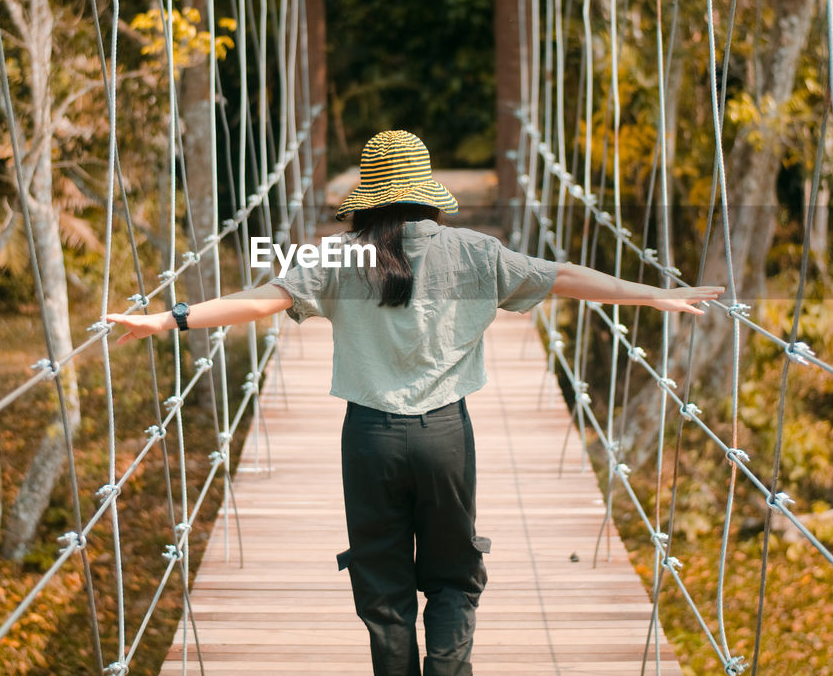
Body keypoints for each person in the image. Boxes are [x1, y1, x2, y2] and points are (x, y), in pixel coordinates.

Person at [106, 130, 723, 676]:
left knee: (383, 585)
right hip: (446, 436)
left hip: (369, 438)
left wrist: (169, 318)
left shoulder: (336, 258)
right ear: (430, 196)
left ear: (366, 200)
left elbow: (261, 299)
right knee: (454, 577)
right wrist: (653, 295)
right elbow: (563, 276)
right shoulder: (478, 253)